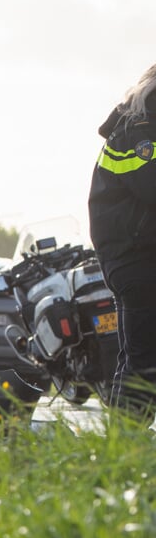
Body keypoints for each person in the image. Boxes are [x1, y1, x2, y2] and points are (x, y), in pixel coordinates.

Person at [89, 62, 156, 421]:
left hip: (138, 257)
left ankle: (120, 449)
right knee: (145, 362)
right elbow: (151, 186)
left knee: (137, 358)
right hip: (137, 259)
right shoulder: (140, 128)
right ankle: (125, 448)